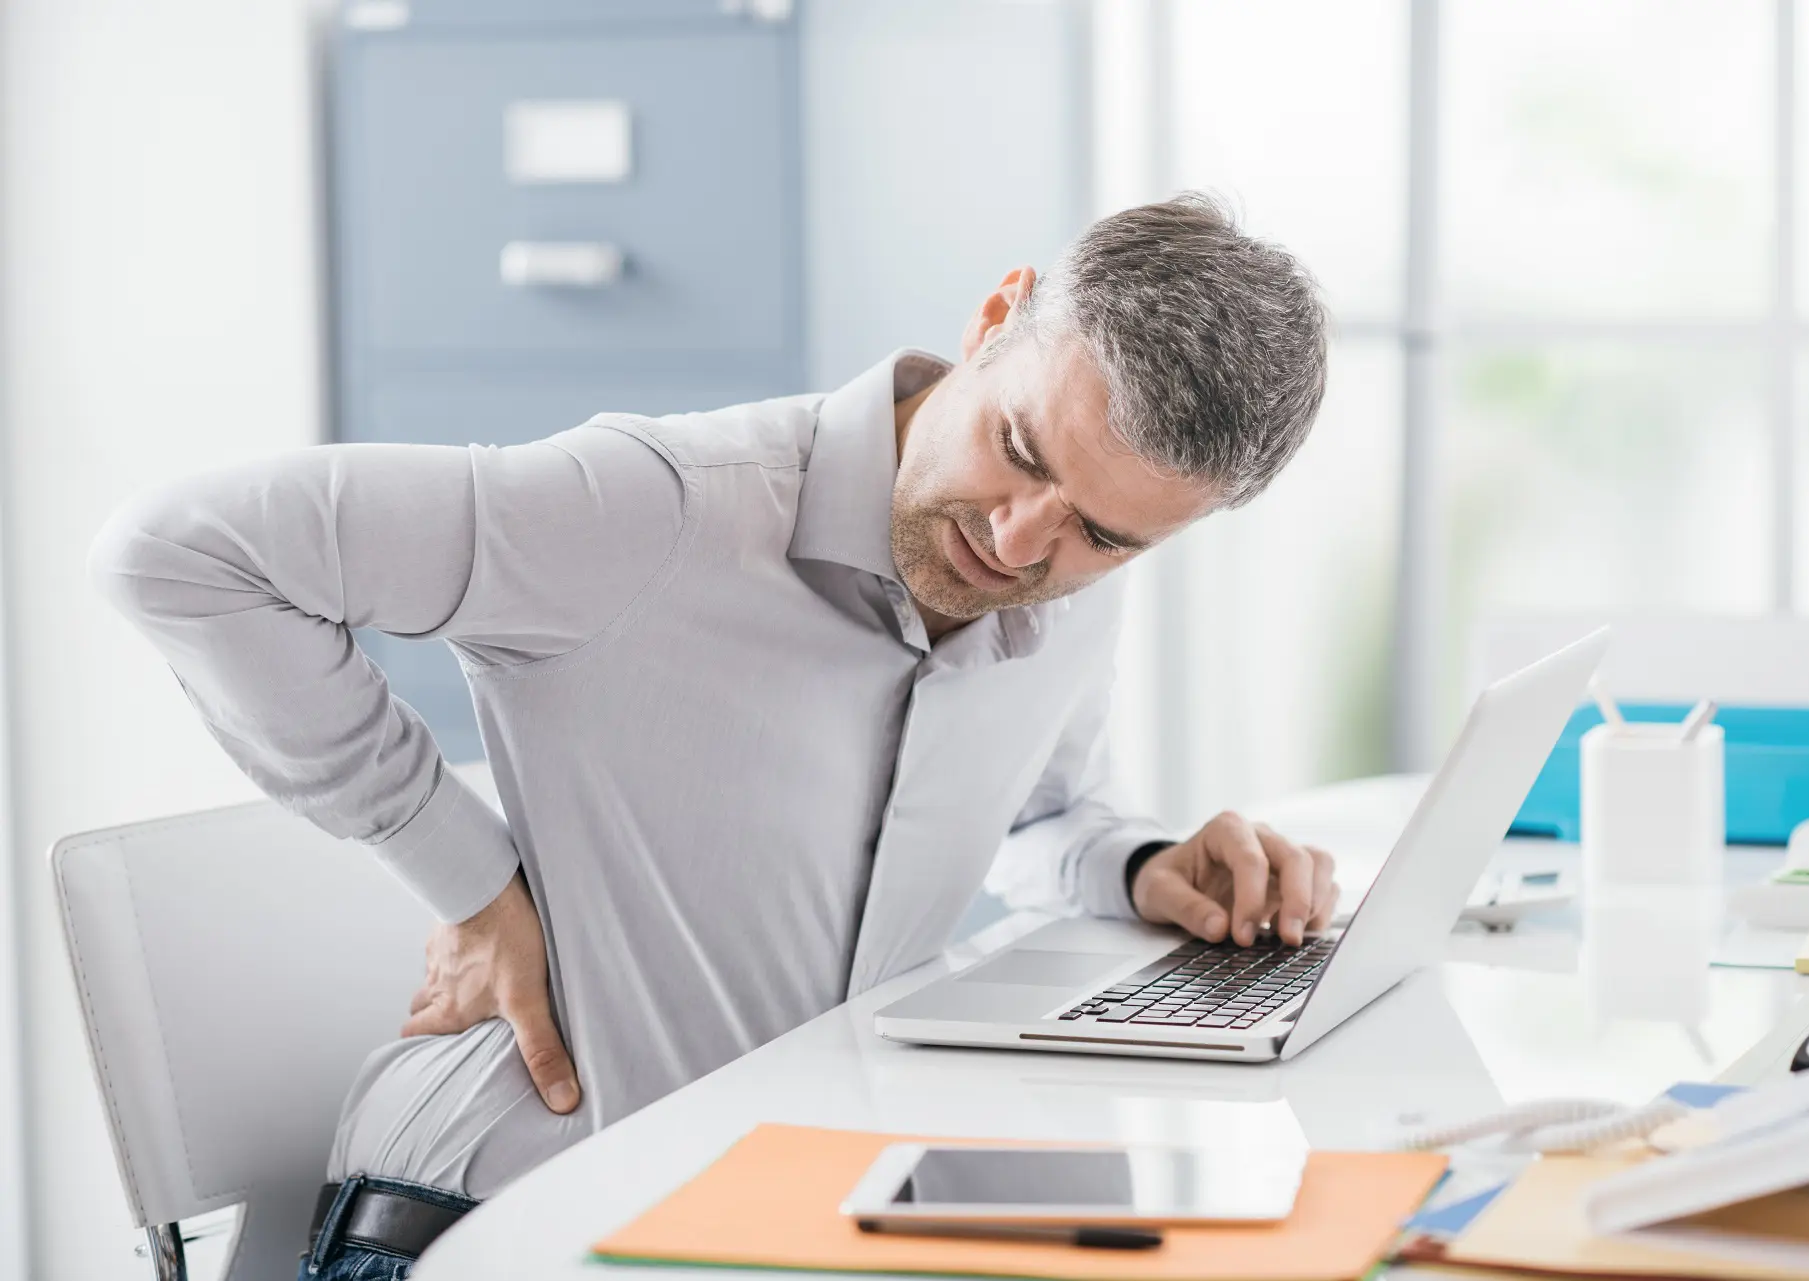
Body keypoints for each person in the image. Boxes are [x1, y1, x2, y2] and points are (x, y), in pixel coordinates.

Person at [92, 192, 1337, 1281]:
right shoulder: (651, 510)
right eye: (1015, 450)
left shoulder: (1067, 593)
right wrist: (470, 880)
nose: (1017, 544)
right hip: (497, 1222)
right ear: (993, 318)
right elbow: (181, 554)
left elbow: (1044, 813)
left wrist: (1140, 863)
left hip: (790, 1216)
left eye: (1104, 537)